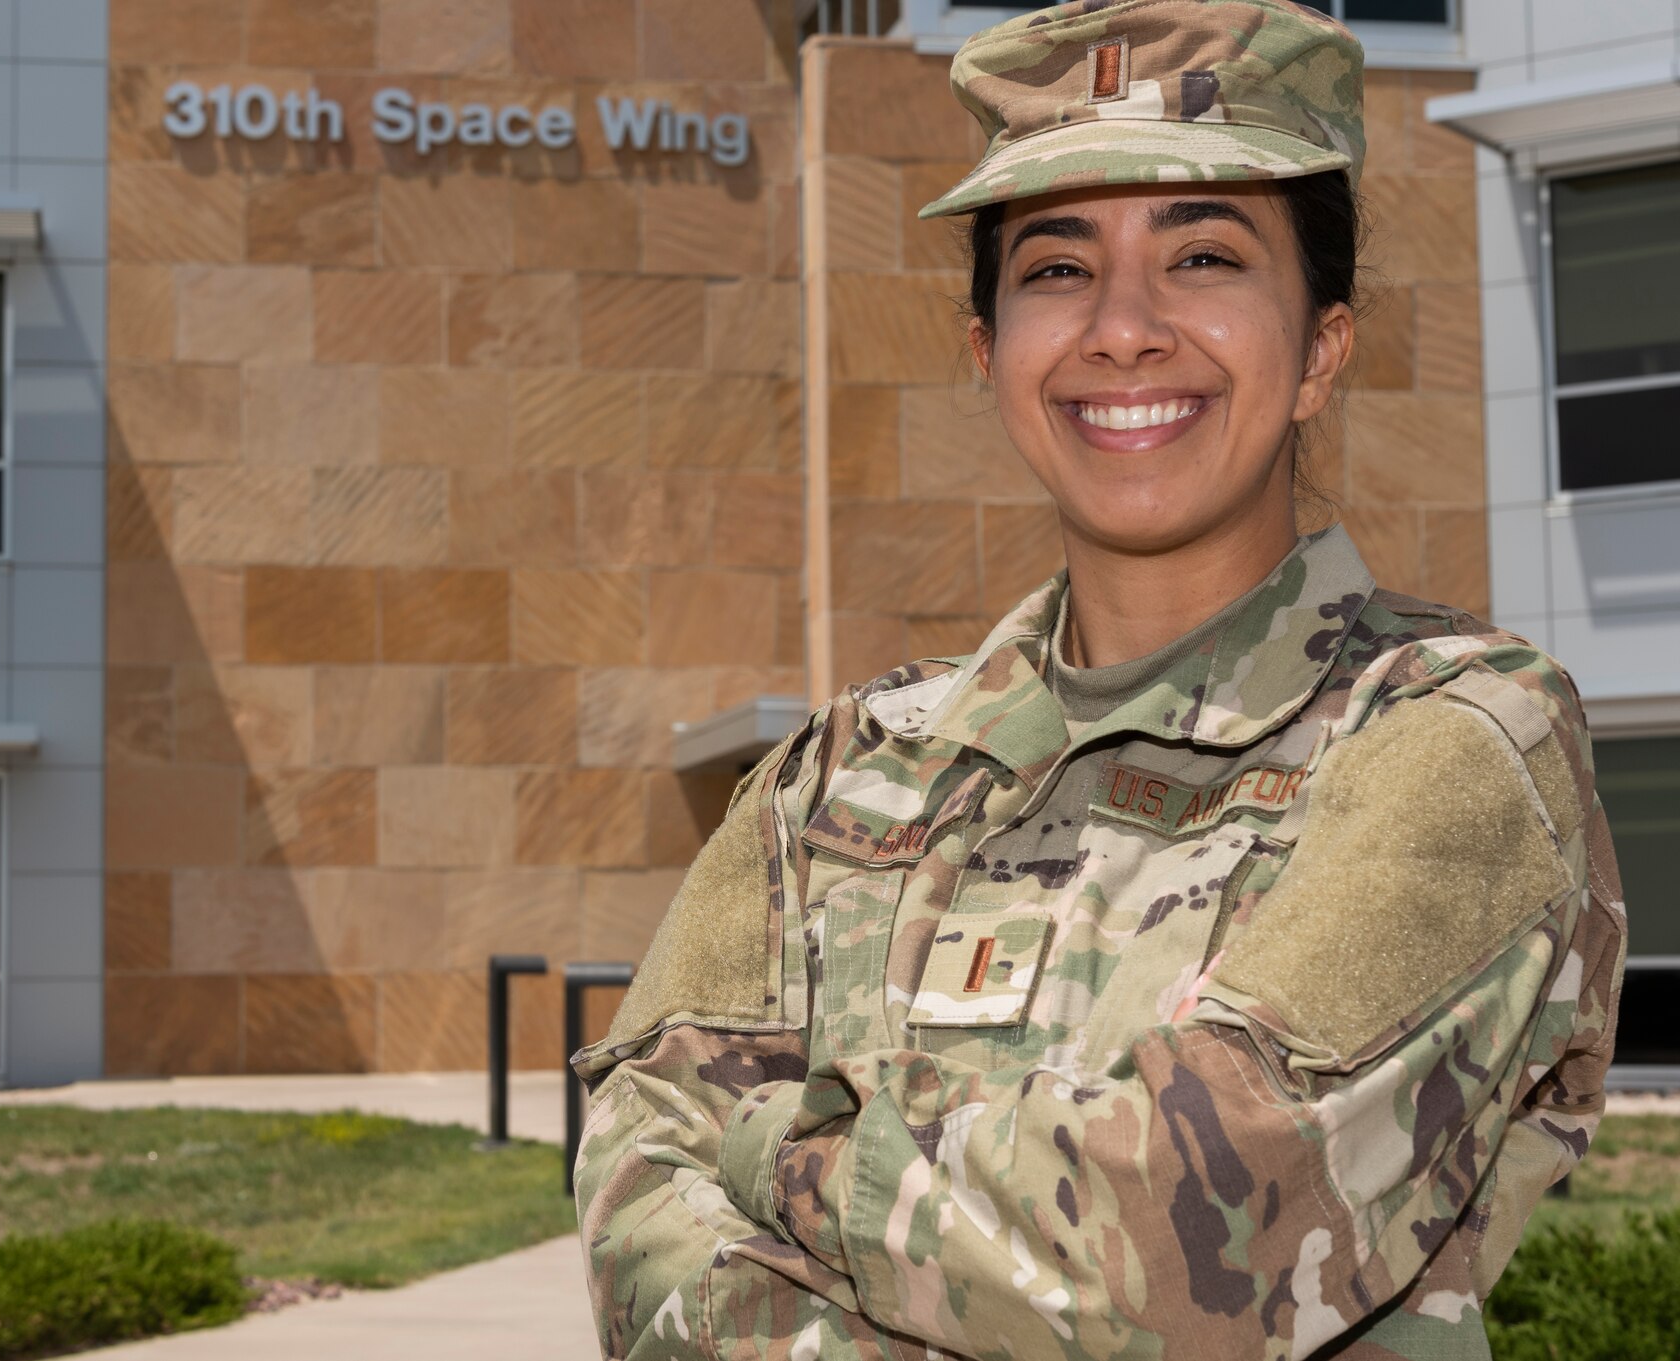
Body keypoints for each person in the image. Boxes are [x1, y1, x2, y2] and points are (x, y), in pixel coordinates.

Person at [570, 0, 1626, 1356]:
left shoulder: (1453, 741)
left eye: (1203, 256)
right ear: (986, 350)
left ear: (1322, 346)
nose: (1124, 329)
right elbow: (632, 1197)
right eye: (1058, 270)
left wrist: (778, 1145)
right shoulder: (836, 781)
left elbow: (1179, 1251)